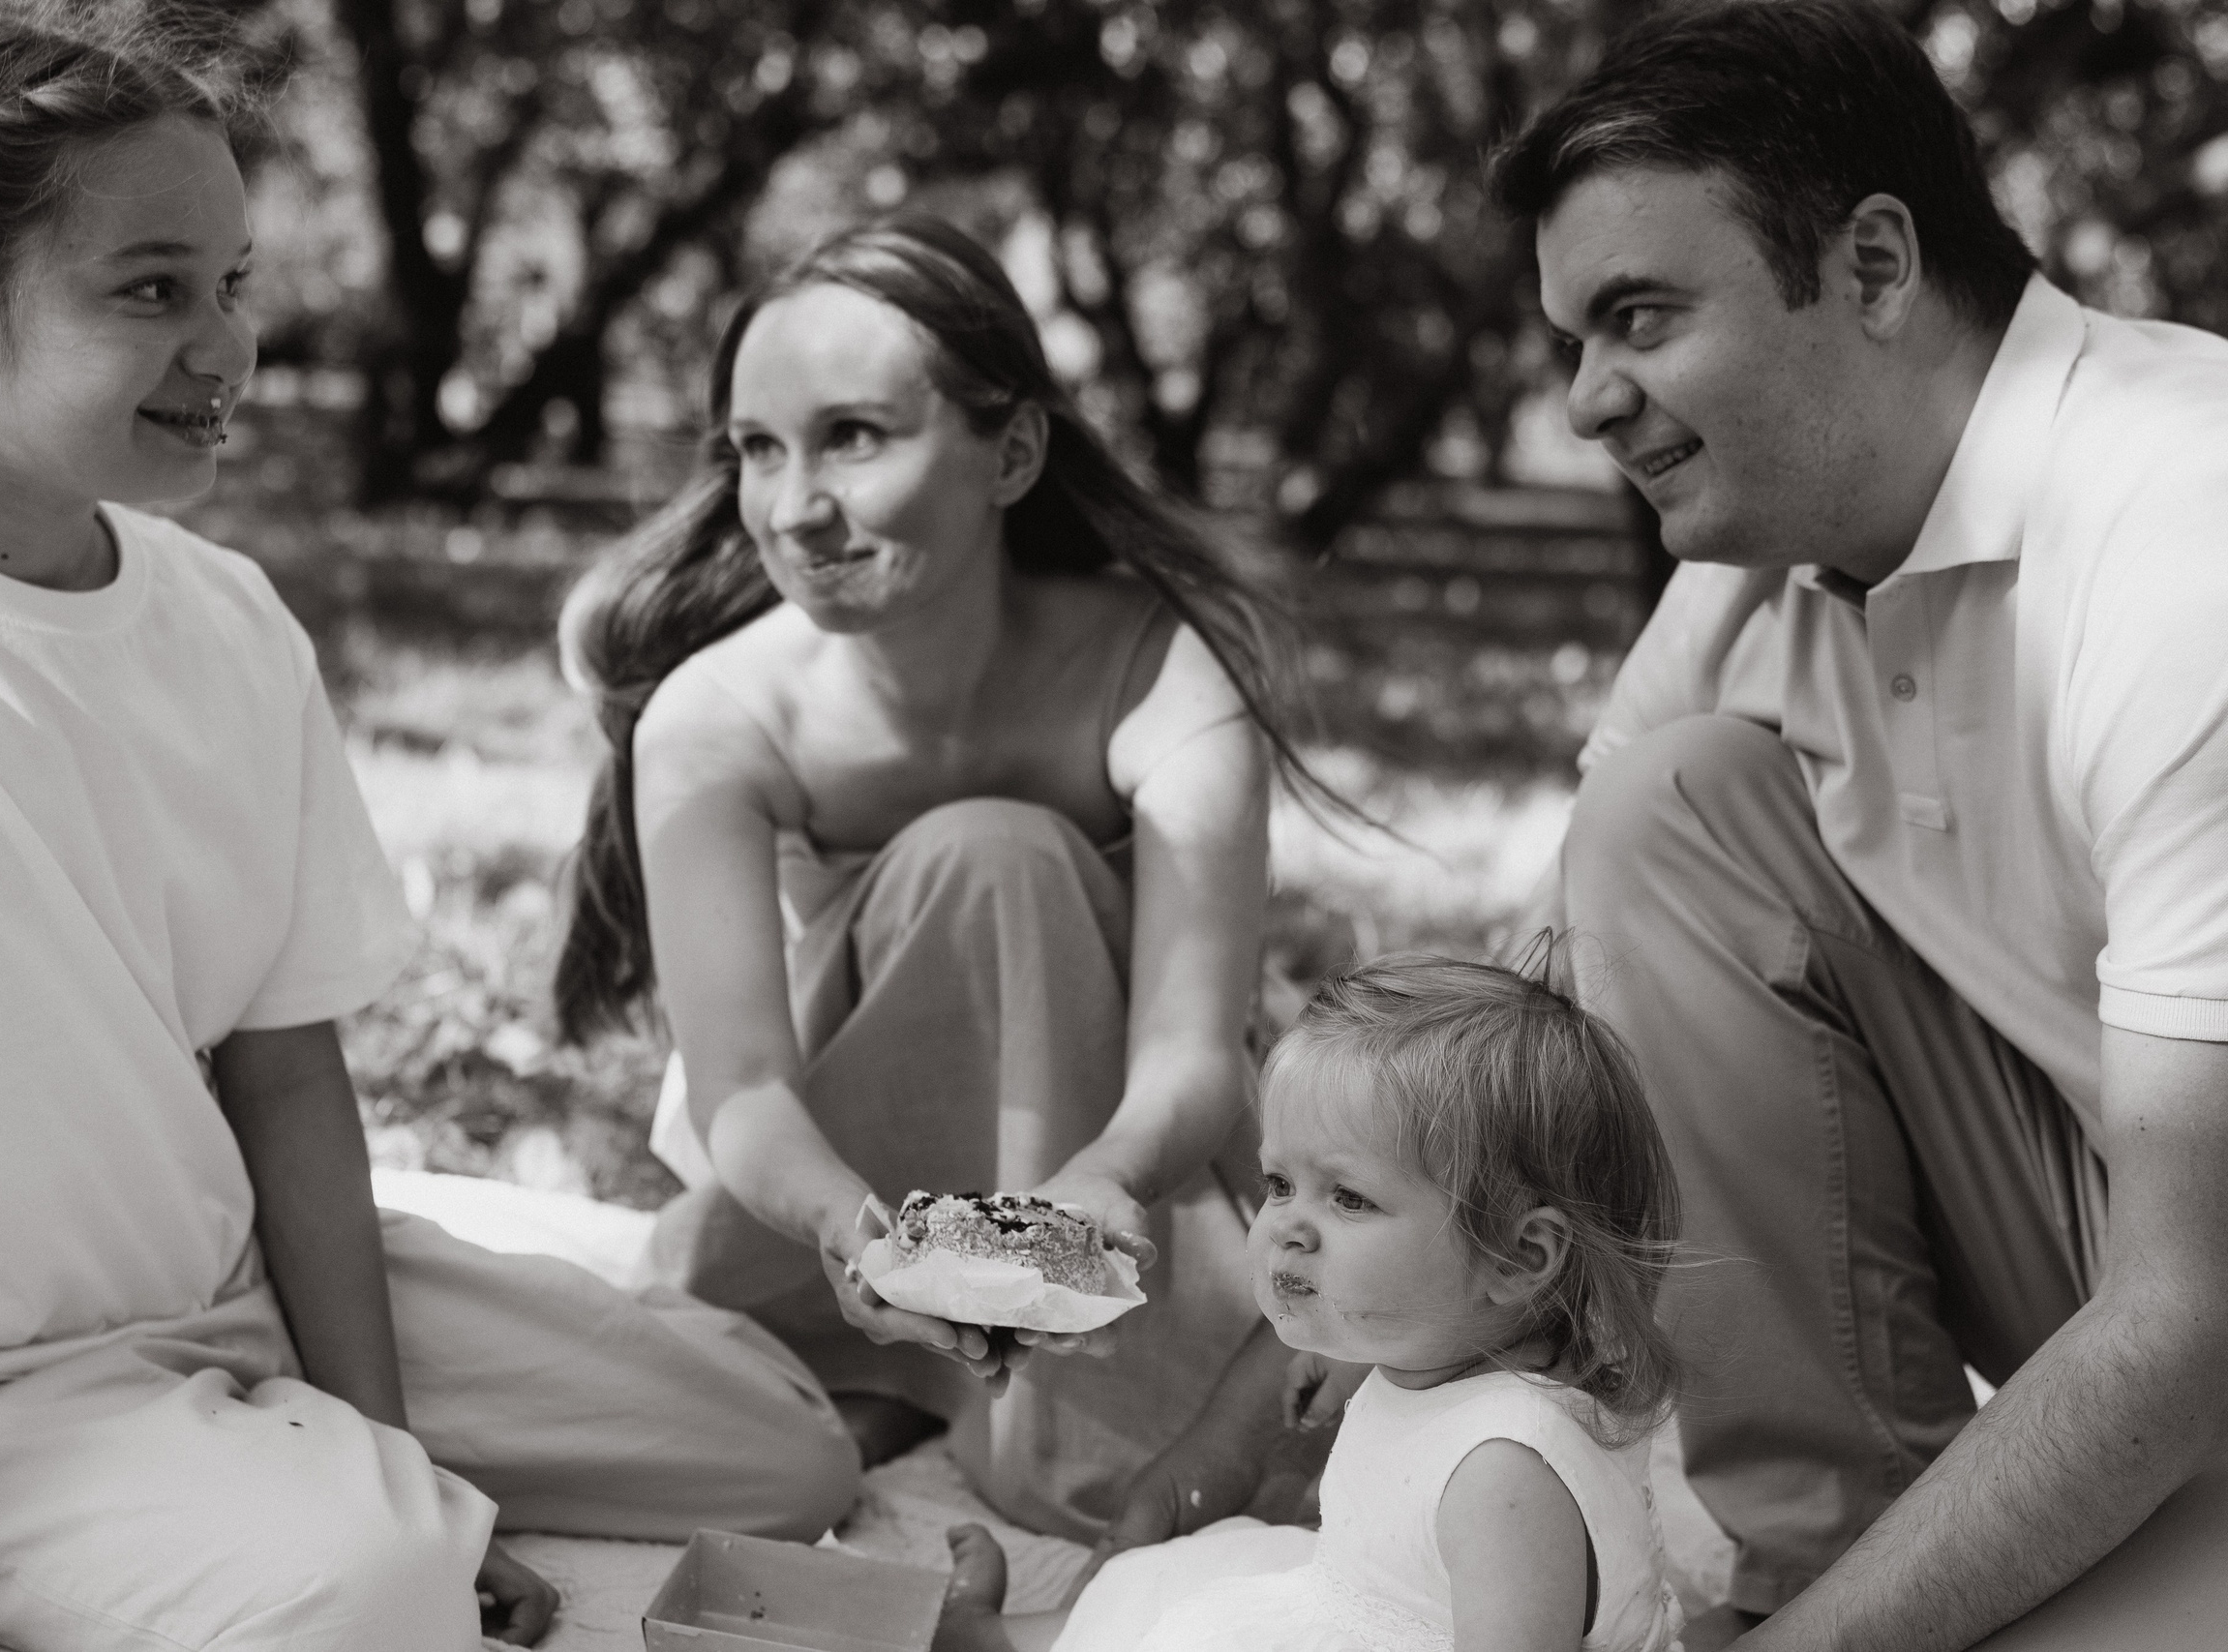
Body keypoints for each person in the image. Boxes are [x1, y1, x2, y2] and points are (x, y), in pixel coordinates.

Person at [0, 11, 857, 1652]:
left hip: (230, 1295)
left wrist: (384, 1438)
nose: (225, 346)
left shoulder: (226, 617)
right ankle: (202, 1517)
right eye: (150, 290)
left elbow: (283, 1067)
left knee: (780, 1447)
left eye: (232, 281)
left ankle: (299, 1472)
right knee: (373, 1585)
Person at [1487, 2, 2228, 1646]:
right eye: (1572, 340)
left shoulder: (2185, 547)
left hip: (2198, 1280)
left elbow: (2197, 1312)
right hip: (2119, 1214)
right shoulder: (1787, 534)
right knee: (1663, 814)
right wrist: (1316, 1308)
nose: (1590, 405)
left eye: (1641, 316)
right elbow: (1524, 1007)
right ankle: (1834, 1564)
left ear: (1877, 268)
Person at [555, 214, 1298, 1538]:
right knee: (988, 852)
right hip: (830, 1187)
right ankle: (901, 1347)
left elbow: (1196, 1046)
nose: (794, 507)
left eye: (853, 436)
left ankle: (1027, 1369)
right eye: (758, 450)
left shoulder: (1157, 664)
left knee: (1000, 849)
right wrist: (851, 1230)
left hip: (1107, 1194)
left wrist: (1107, 1181)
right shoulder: (718, 713)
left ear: (1011, 451)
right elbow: (742, 1089)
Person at [927, 953, 1688, 1652]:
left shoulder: (1504, 1475)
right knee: (1179, 1577)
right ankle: (1009, 1635)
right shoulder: (1463, 1355)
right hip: (1366, 1600)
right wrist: (1345, 1357)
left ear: (1518, 1257)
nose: (1287, 1226)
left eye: (1348, 1198)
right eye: (1279, 1184)